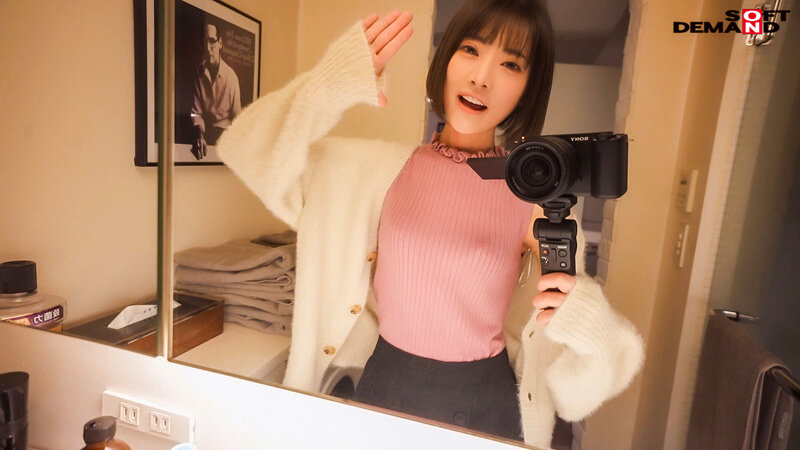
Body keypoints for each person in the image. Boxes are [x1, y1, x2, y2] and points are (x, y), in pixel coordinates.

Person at [216, 1, 644, 447]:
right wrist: (330, 85)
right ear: (447, 59)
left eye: (510, 64)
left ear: (528, 87)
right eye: (471, 50)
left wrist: (583, 315)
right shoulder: (367, 172)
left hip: (483, 403)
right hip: (384, 385)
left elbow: (578, 393)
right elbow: (245, 151)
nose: (482, 77)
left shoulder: (533, 197)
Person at [190, 18, 241, 160]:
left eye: (212, 41)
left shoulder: (231, 77)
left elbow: (237, 120)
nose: (208, 48)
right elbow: (196, 113)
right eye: (205, 42)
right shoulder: (198, 73)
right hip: (203, 138)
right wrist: (199, 135)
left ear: (220, 43)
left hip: (225, 143)